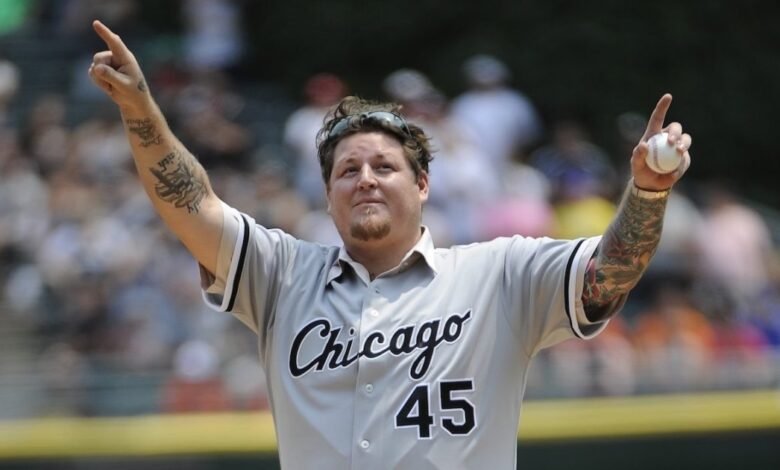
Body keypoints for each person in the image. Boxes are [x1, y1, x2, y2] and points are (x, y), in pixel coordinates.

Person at [88, 20, 693, 470]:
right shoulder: (281, 275)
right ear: (327, 195)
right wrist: (141, 110)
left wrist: (646, 192)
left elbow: (610, 274)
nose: (366, 179)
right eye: (347, 171)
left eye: (384, 166)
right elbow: (190, 203)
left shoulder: (499, 273)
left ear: (423, 184)